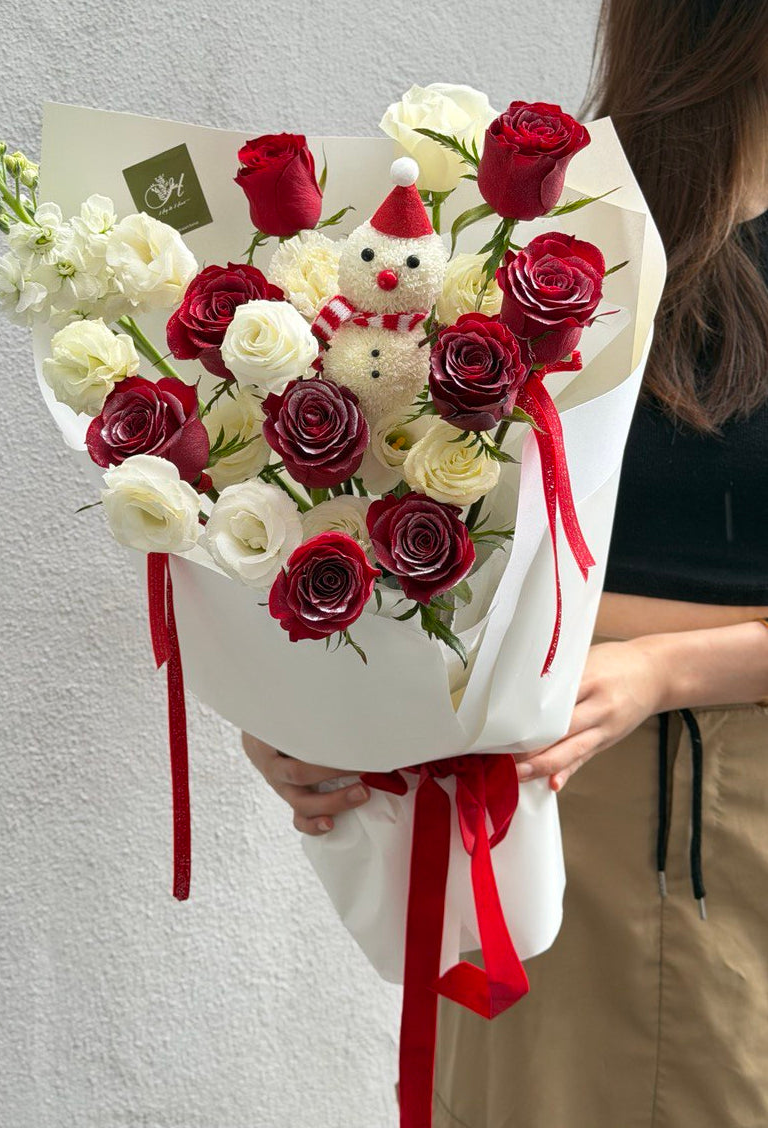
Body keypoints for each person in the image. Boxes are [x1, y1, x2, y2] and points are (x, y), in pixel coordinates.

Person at [242, 0, 768, 1123]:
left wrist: (667, 672)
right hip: (522, 817)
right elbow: (394, 529)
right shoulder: (533, 248)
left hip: (723, 803)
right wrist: (309, 708)